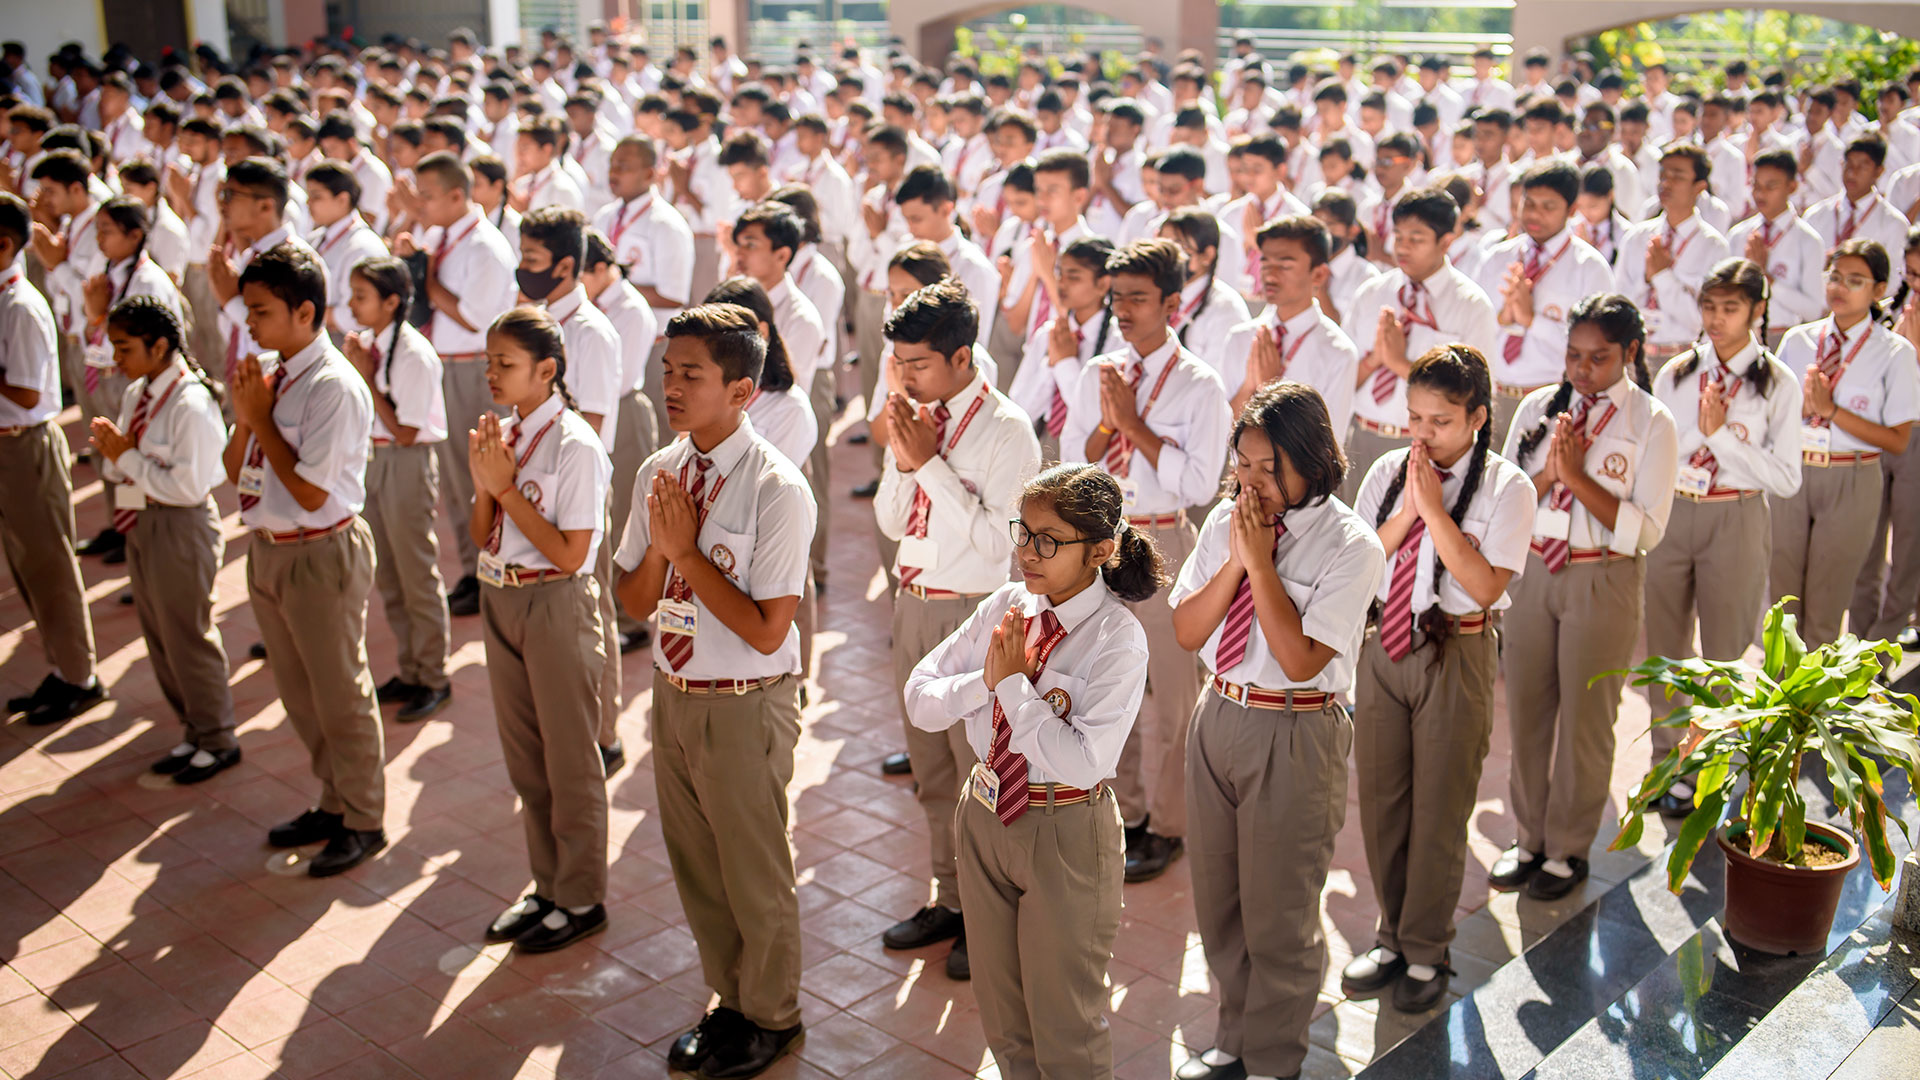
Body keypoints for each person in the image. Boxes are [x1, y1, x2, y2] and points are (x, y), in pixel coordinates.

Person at [904, 463, 1159, 1079]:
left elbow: (1084, 761)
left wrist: (1014, 687)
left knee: (1065, 1018)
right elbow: (921, 697)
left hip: (1065, 829)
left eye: (1048, 541)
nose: (1027, 553)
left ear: (1100, 549)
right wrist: (985, 680)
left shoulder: (1115, 639)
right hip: (987, 810)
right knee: (1003, 1009)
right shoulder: (1005, 605)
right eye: (1023, 533)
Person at [615, 303, 815, 1080]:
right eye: (667, 369)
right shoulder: (658, 470)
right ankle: (728, 1000)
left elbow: (768, 631)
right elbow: (633, 600)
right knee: (698, 862)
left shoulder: (776, 489)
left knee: (753, 868)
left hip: (744, 699)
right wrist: (665, 559)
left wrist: (687, 555)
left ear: (740, 390)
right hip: (674, 690)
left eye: (691, 373)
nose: (671, 386)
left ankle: (774, 1016)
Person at [1170, 381, 1385, 1080]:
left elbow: (1297, 658)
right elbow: (1186, 628)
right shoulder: (1225, 523)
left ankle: (1272, 1061)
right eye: (1245, 464)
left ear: (1315, 462)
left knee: (1280, 914)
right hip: (1220, 712)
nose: (1254, 483)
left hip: (1294, 729)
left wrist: (1260, 564)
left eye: (1271, 468)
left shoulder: (1350, 544)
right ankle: (1235, 1035)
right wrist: (1238, 557)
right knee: (1221, 900)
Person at [1345, 345, 1535, 1012]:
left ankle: (1428, 947)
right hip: (1386, 646)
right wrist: (1409, 508)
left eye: (1442, 422)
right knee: (1382, 800)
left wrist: (1434, 513)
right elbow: (1361, 564)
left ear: (1479, 417)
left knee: (1439, 809)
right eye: (1415, 418)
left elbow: (1483, 584)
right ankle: (1391, 934)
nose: (1422, 435)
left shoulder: (1507, 486)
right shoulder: (1389, 470)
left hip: (1458, 649)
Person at [874, 278, 1040, 981]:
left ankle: (991, 911)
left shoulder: (1007, 431)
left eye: (918, 363)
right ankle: (951, 898)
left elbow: (993, 548)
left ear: (963, 357)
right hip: (913, 602)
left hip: (973, 612)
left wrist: (929, 466)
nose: (905, 376)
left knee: (983, 773)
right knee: (931, 772)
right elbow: (888, 516)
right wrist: (912, 464)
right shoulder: (913, 415)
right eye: (899, 363)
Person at [1495, 294, 1677, 900]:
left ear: (1629, 353)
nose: (1581, 371)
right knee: (1526, 709)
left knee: (1586, 719)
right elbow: (1507, 494)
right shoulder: (1538, 408)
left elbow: (1646, 530)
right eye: (1573, 356)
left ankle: (1569, 847)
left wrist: (1577, 479)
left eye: (1598, 359)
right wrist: (1550, 473)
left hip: (1603, 575)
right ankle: (1529, 837)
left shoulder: (1651, 421)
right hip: (1535, 572)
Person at [1062, 237, 1231, 883]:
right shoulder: (1097, 370)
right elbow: (1076, 457)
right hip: (1107, 540)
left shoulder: (1198, 384)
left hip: (1163, 538)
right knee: (1109, 681)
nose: (1123, 310)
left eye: (1137, 297)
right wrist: (1110, 427)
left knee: (1170, 691)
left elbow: (1196, 484)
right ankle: (1125, 805)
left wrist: (1133, 425)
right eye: (1117, 297)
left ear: (1173, 302)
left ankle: (1168, 823)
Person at [227, 243, 387, 877]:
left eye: (261, 311)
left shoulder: (332, 386)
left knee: (339, 691)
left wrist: (259, 420)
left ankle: (365, 817)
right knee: (299, 690)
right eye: (247, 310)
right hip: (269, 548)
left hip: (319, 552)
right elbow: (231, 466)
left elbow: (313, 492)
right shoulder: (272, 372)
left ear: (305, 312)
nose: (250, 324)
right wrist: (247, 419)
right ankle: (333, 799)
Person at [472, 305, 614, 952]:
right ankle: (547, 883)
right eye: (489, 362)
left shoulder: (575, 444)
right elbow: (481, 534)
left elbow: (569, 554)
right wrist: (488, 486)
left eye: (506, 364)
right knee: (527, 759)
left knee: (569, 758)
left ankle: (580, 895)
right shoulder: (506, 432)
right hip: (500, 594)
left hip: (554, 603)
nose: (492, 374)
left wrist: (503, 489)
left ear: (547, 370)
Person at [1642, 258, 1801, 816]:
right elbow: (1656, 450)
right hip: (1675, 512)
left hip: (1735, 517)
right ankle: (1667, 759)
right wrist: (1696, 437)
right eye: (1709, 306)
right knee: (1664, 646)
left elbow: (1786, 478)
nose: (1716, 318)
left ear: (1758, 311)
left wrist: (1720, 440)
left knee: (1725, 651)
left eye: (1730, 308)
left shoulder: (1778, 382)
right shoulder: (1678, 373)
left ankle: (1709, 759)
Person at [91, 295, 236, 779]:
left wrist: (126, 458)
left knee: (188, 634)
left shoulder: (190, 403)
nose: (117, 358)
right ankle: (193, 729)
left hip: (180, 523)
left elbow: (188, 486)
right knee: (160, 636)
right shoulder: (142, 391)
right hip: (145, 521)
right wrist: (121, 458)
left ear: (158, 347)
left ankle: (218, 738)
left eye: (125, 347)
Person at [1771, 239, 1920, 646]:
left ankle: (1811, 706)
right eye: (1834, 276)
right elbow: (1776, 415)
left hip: (1852, 475)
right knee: (1783, 603)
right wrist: (1805, 408)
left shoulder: (1894, 352)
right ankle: (1783, 699)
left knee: (1826, 603)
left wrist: (1832, 410)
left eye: (1855, 280)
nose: (1840, 287)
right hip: (1796, 471)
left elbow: (1898, 439)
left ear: (1879, 290)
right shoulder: (1799, 341)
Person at [0, 191, 107, 725]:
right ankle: (62, 667)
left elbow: (23, 392)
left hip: (24, 444)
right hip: (6, 444)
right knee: (25, 565)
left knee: (49, 563)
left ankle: (79, 675)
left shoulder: (19, 306)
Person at [401, 151, 518, 618]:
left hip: (470, 368)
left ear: (456, 195)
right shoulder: (440, 236)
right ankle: (474, 569)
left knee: (477, 474)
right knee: (452, 476)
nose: (421, 205)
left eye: (427, 197)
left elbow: (474, 319)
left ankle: (490, 566)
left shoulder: (485, 248)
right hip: (441, 362)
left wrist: (424, 278)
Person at [344, 254, 454, 723]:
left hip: (405, 462)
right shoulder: (370, 343)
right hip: (376, 459)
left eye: (361, 297)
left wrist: (365, 378)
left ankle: (433, 675)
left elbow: (407, 432)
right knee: (387, 569)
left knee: (415, 571)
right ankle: (410, 668)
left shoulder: (412, 353)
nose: (352, 305)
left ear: (392, 301)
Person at [1343, 187, 1501, 503]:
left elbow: (1477, 392)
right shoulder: (1373, 293)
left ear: (1446, 241)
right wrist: (1377, 359)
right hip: (1361, 437)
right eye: (1398, 236)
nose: (1402, 247)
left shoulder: (1470, 305)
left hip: (1427, 449)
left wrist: (1401, 363)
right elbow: (1343, 377)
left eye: (1416, 239)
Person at [1476, 160, 1616, 441]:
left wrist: (1531, 320)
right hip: (1494, 395)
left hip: (1553, 399)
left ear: (1572, 210)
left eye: (1548, 206)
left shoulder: (1589, 267)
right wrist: (1502, 318)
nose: (1535, 214)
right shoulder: (1497, 257)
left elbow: (1596, 348)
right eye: (1528, 204)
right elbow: (1473, 331)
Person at [1221, 215, 1361, 433]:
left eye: (1285, 265)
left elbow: (1329, 447)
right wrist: (1249, 387)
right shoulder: (1240, 337)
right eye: (1265, 262)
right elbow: (1221, 432)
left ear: (1319, 274)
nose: (1270, 275)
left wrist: (1271, 389)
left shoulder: (1337, 352)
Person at [1853, 228, 1920, 641]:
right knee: (1866, 546)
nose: (1917, 283)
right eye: (1912, 273)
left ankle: (1886, 639)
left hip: (1915, 441)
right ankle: (1859, 646)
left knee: (1909, 547)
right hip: (1878, 438)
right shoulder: (1890, 313)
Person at [1614, 144, 1730, 366]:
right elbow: (1619, 302)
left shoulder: (1713, 246)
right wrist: (1647, 280)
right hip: (1636, 356)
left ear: (1699, 187)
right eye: (1663, 175)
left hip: (1684, 357)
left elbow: (1702, 320)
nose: (1666, 183)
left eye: (1677, 176)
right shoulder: (1637, 237)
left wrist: (1662, 277)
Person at [1011, 234, 1115, 463]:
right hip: (1042, 443)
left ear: (1103, 284)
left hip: (1087, 454)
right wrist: (1051, 364)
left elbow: (1091, 415)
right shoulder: (1048, 334)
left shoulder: (1117, 342)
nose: (1062, 283)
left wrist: (1066, 364)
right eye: (1059, 273)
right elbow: (1019, 408)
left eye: (1074, 276)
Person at [1727, 150, 1828, 348]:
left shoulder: (1808, 240)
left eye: (1770, 186)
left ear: (1792, 186)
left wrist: (1765, 277)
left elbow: (1814, 310)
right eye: (1756, 185)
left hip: (1785, 337)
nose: (1760, 193)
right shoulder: (1739, 235)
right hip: (1741, 336)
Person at [1160, 206, 1252, 380]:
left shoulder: (1226, 310)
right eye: (1164, 246)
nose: (1168, 257)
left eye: (1180, 248)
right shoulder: (1158, 293)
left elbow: (1219, 382)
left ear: (1207, 256)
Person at [304, 160, 388, 337]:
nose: (308, 203)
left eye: (316, 196)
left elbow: (355, 316)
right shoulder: (315, 238)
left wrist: (303, 314)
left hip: (345, 342)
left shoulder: (364, 246)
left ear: (342, 199)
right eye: (308, 195)